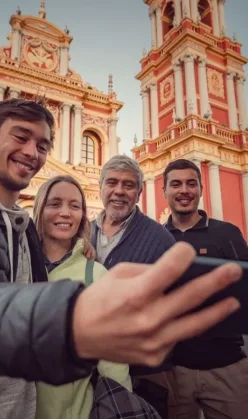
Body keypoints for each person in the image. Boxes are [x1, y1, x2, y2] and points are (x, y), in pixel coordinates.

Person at [0, 99, 243, 419]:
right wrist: (72, 322)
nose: (32, 152)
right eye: (20, 136)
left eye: (43, 145)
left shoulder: (22, 231)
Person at [140, 159, 248, 419]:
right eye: (176, 184)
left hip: (226, 367)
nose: (184, 190)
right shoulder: (156, 238)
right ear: (165, 192)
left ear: (201, 189)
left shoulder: (227, 233)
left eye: (191, 184)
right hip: (173, 371)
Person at [32, 175, 131, 419]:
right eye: (54, 204)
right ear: (39, 209)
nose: (65, 213)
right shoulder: (17, 266)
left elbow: (113, 362)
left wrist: (122, 407)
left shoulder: (96, 275)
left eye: (74, 206)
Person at [90, 155, 177, 416]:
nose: (119, 191)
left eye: (128, 186)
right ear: (101, 187)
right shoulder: (82, 232)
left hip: (144, 371)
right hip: (89, 366)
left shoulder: (159, 238)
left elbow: (172, 302)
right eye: (112, 183)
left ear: (139, 193)